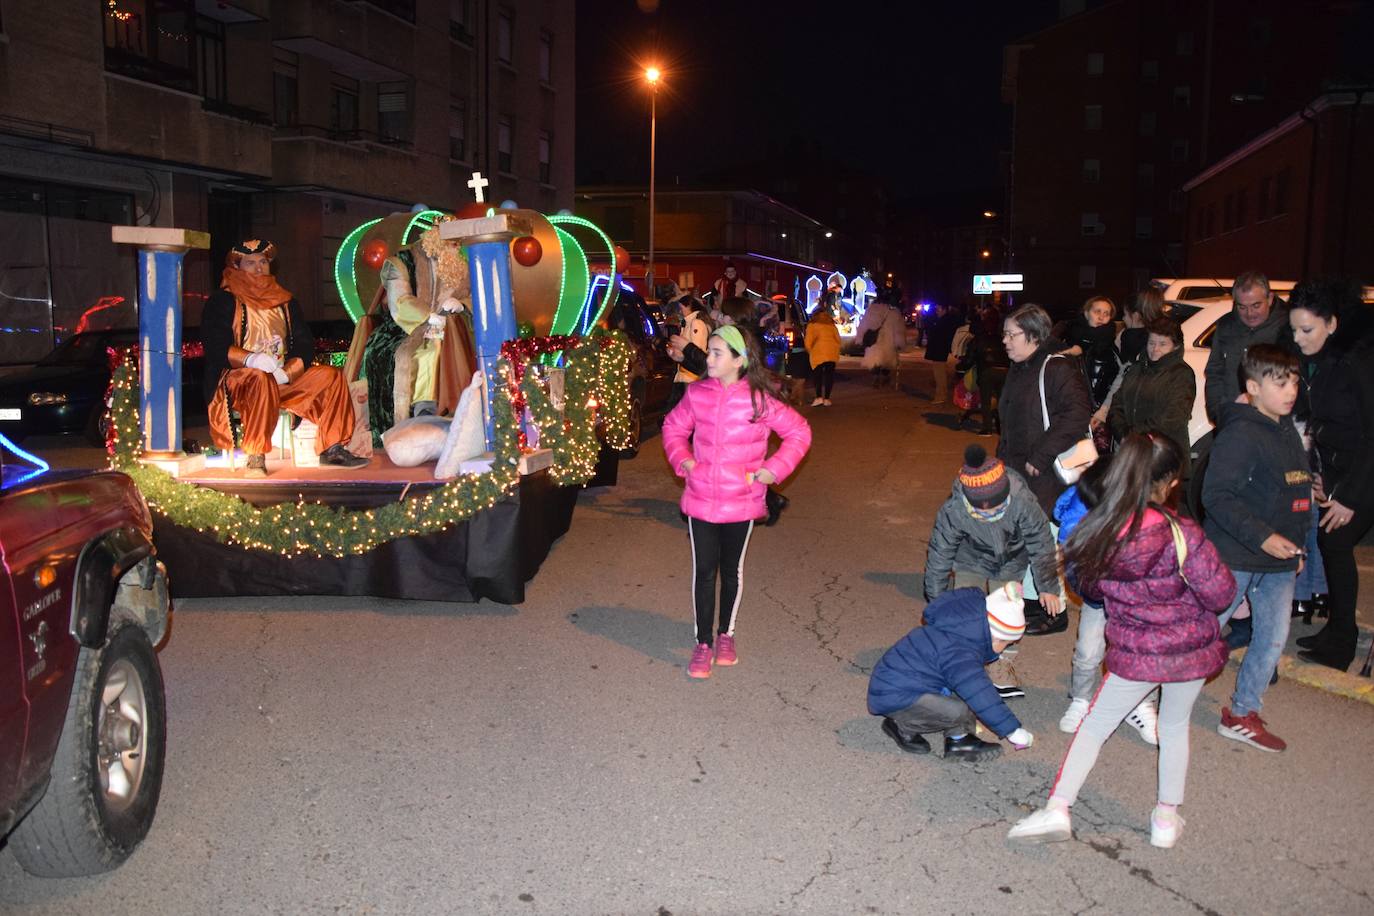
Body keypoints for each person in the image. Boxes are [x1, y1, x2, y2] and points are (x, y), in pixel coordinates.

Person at [1007, 434, 1234, 848]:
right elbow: (1220, 593)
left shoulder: (1101, 530)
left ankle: (1058, 808)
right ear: (1166, 482)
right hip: (1189, 650)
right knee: (1175, 725)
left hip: (1136, 652)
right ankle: (1166, 820)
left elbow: (1086, 589)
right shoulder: (1182, 531)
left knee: (1095, 727)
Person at [661, 326, 812, 679]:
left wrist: (773, 470)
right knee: (704, 572)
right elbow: (673, 428)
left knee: (731, 572)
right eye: (708, 351)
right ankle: (702, 643)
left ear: (739, 360)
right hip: (701, 498)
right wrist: (684, 460)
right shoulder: (697, 394)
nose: (708, 358)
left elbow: (799, 432)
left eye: (716, 353)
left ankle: (725, 635)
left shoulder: (759, 398)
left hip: (741, 501)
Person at [1203, 344, 1309, 751]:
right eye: (1279, 383)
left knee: (1271, 638)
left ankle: (1242, 713)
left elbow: (1294, 494)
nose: (1290, 391)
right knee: (1203, 635)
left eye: (1294, 381)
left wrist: (1297, 548)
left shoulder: (1285, 429)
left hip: (1280, 563)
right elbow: (1217, 496)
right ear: (1252, 387)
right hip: (1236, 556)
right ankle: (1153, 695)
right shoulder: (1240, 433)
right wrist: (1262, 536)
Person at [202, 240, 367, 476]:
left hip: (281, 379)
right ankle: (255, 456)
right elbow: (214, 345)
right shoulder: (223, 301)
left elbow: (304, 343)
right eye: (251, 263)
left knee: (331, 377)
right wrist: (250, 359)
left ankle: (332, 448)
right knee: (260, 379)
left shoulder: (286, 301)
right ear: (237, 267)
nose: (259, 268)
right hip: (240, 383)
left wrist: (287, 372)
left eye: (263, 262)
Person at [1288, 278, 1374, 671]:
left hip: (1365, 475)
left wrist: (1351, 497)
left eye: (1307, 330)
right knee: (1330, 542)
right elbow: (1319, 425)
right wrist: (1322, 476)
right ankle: (1338, 632)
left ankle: (1342, 642)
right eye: (1294, 329)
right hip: (1342, 471)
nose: (1299, 338)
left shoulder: (1357, 363)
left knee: (1334, 542)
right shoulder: (1318, 363)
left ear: (1332, 325)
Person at [996, 303, 1089, 632]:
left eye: (1012, 334)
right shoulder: (1022, 365)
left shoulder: (1056, 367)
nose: (1005, 341)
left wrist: (1041, 455)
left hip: (1045, 473)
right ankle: (1036, 604)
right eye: (1004, 333)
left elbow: (1077, 414)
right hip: (1020, 469)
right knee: (1025, 537)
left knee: (1045, 540)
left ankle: (1056, 612)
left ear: (1033, 336)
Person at [1053, 457, 1159, 744]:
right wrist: (1097, 590)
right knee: (1088, 651)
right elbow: (1075, 570)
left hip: (1135, 600)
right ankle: (1081, 699)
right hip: (1098, 595)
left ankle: (1139, 705)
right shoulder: (1078, 515)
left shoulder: (1142, 509)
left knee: (1138, 652)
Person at [868, 583, 1033, 762]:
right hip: (895, 696)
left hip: (899, 685)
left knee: (964, 695)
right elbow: (981, 694)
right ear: (994, 635)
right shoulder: (960, 652)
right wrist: (1012, 730)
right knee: (960, 708)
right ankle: (903, 726)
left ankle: (959, 739)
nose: (1002, 650)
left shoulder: (958, 631)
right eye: (1005, 644)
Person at [924, 445, 1058, 606]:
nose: (990, 516)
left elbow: (1041, 544)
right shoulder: (955, 509)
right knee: (964, 610)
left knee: (1008, 614)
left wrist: (1048, 588)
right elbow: (940, 553)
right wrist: (937, 599)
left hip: (1011, 563)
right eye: (981, 512)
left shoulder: (1022, 500)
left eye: (998, 508)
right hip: (970, 561)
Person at [1108, 317, 1194, 475]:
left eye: (1162, 344)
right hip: (1131, 454)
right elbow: (1117, 403)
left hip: (1162, 458)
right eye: (1151, 343)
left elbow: (1173, 417)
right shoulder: (1136, 369)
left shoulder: (1181, 374)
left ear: (1175, 346)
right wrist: (1122, 433)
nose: (1155, 349)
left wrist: (1133, 435)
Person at [1203, 271, 1290, 423]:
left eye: (1256, 305)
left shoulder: (1286, 327)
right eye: (1242, 307)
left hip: (1271, 423)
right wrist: (1217, 412)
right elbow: (1214, 371)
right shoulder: (1226, 326)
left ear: (1269, 299)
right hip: (1231, 418)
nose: (1250, 313)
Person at [1054, 295, 1121, 407]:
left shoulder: (1112, 343)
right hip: (1071, 404)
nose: (1101, 317)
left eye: (1106, 314)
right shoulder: (1066, 337)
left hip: (1101, 407)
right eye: (1097, 312)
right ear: (1086, 313)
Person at [856, 297, 906, 387]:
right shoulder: (894, 313)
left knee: (874, 359)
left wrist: (860, 339)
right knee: (887, 360)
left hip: (874, 341)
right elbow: (898, 330)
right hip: (888, 341)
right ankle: (885, 376)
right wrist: (899, 343)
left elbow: (863, 326)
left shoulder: (870, 312)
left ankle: (876, 376)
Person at [922, 303, 960, 406]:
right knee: (939, 373)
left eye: (938, 308)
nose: (936, 310)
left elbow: (941, 335)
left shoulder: (945, 321)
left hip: (940, 350)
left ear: (944, 310)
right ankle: (941, 394)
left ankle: (941, 395)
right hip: (939, 350)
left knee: (939, 374)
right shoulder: (942, 319)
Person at [804, 306, 841, 406]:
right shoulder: (831, 325)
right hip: (832, 353)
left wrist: (809, 350)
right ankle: (827, 399)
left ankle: (819, 397)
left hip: (818, 353)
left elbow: (808, 341)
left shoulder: (812, 325)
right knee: (829, 375)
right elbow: (838, 340)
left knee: (818, 376)